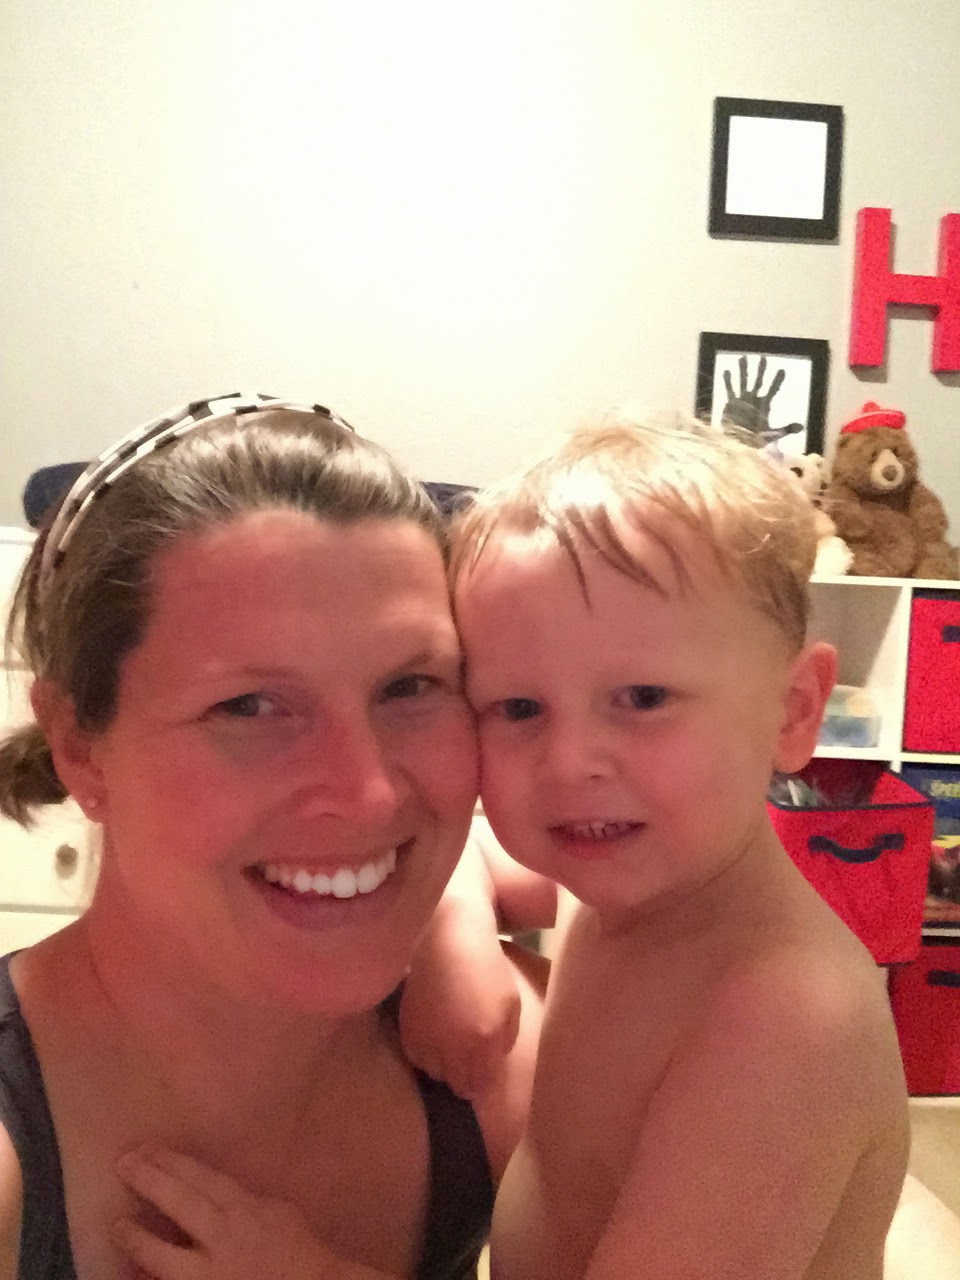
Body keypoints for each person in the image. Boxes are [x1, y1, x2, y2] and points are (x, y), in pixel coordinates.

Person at [0, 392, 541, 1280]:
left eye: (410, 687)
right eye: (248, 706)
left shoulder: (522, 1059)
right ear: (80, 748)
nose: (367, 794)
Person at [441, 414, 911, 1280]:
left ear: (794, 712)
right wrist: (457, 941)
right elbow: (470, 858)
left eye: (643, 698)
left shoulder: (784, 1024)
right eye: (518, 708)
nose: (570, 762)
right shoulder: (620, 879)